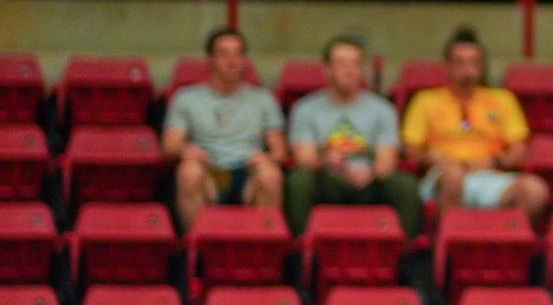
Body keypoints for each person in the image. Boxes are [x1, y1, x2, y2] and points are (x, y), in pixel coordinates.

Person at [402, 27, 550, 220]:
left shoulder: (502, 100)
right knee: (453, 177)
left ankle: (497, 242)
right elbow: (410, 148)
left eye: (474, 63)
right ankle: (448, 244)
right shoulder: (426, 100)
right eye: (459, 63)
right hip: (442, 176)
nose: (467, 69)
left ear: (482, 66)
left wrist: (493, 162)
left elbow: (519, 150)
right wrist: (434, 159)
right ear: (447, 65)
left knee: (535, 190)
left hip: (488, 174)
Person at [285, 35, 423, 237]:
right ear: (326, 70)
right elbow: (304, 159)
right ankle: (301, 251)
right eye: (341, 64)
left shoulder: (382, 109)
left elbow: (387, 161)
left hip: (368, 181)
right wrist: (326, 161)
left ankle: (405, 254)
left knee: (405, 184)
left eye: (355, 64)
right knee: (298, 181)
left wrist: (372, 172)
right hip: (326, 178)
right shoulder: (306, 108)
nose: (349, 70)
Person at [161, 27, 286, 232]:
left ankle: (264, 252)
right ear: (210, 60)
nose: (232, 60)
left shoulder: (263, 98)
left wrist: (267, 158)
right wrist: (185, 150)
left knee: (270, 174)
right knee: (188, 171)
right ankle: (196, 251)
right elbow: (169, 145)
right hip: (208, 169)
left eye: (238, 53)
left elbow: (279, 150)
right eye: (224, 53)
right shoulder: (186, 98)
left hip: (247, 170)